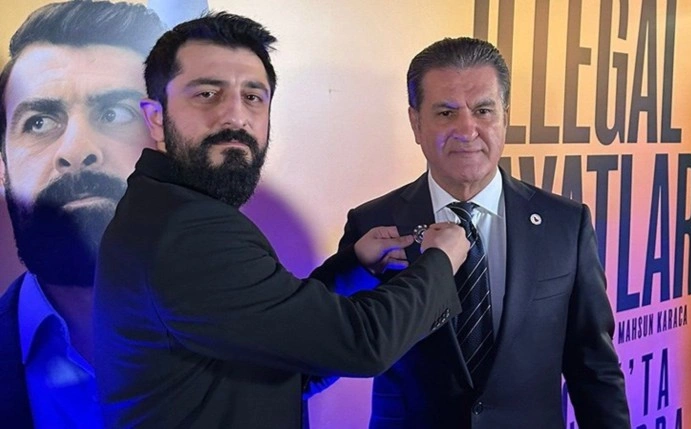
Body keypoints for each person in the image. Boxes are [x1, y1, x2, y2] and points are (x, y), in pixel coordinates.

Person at [93, 12, 469, 429]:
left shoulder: (172, 210)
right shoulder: (186, 230)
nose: (235, 117)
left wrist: (355, 268)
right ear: (155, 117)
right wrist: (440, 262)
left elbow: (290, 354)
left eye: (253, 97)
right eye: (207, 94)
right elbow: (362, 343)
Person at [325, 37, 631, 428]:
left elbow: (594, 366)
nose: (467, 130)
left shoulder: (566, 224)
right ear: (416, 123)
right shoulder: (372, 224)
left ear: (505, 117)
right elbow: (341, 342)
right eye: (446, 113)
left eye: (483, 110)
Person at [0, 2, 166, 427]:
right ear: (3, 167)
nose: (77, 151)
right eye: (39, 122)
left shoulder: (257, 348)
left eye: (115, 113)